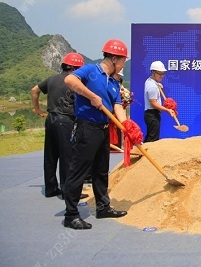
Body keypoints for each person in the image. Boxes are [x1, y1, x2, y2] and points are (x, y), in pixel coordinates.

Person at [62, 39, 134, 230]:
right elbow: (69, 80)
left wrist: (126, 125)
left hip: (103, 130)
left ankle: (103, 207)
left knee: (101, 171)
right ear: (113, 58)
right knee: (78, 171)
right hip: (87, 128)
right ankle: (71, 215)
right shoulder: (90, 71)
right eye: (122, 61)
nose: (123, 64)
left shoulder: (113, 82)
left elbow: (117, 105)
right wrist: (91, 96)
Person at [30, 52, 85, 199]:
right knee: (67, 156)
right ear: (75, 68)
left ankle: (51, 188)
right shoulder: (73, 82)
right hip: (65, 121)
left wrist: (37, 109)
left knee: (51, 155)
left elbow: (34, 90)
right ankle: (69, 191)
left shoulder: (52, 79)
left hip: (51, 119)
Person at [144, 61, 176, 142]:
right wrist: (167, 110)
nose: (162, 76)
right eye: (159, 73)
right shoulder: (152, 87)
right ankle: (147, 154)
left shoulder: (150, 81)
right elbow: (153, 103)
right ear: (153, 72)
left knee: (150, 136)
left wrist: (157, 85)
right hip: (152, 114)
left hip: (151, 114)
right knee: (153, 139)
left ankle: (143, 153)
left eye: (163, 73)